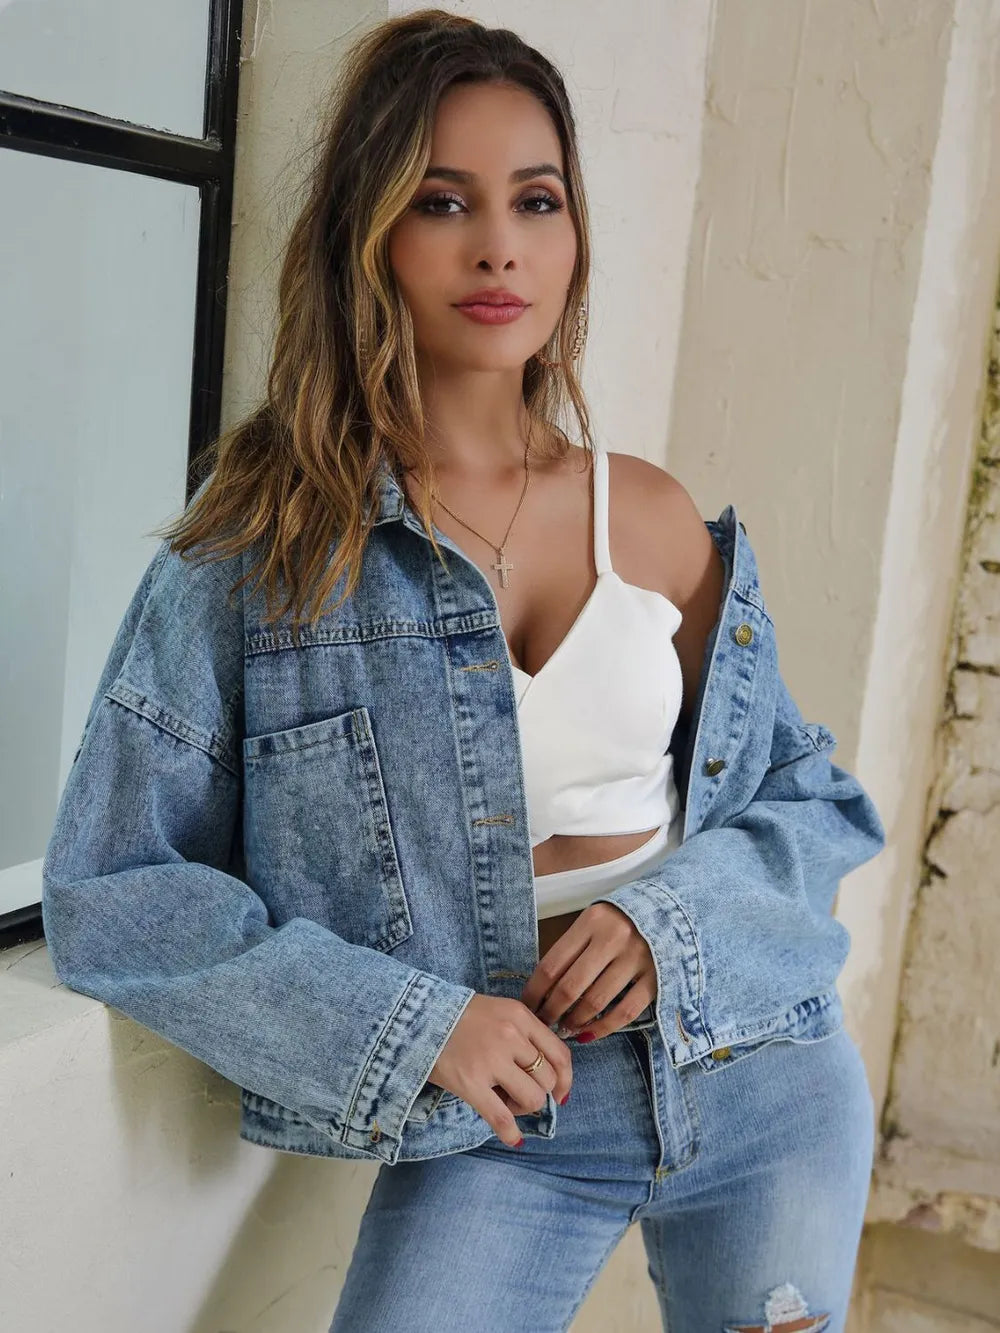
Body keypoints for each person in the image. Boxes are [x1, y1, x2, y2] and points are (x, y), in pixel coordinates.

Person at [41, 10, 887, 1331]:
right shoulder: (262, 552)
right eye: (444, 200)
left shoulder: (653, 517)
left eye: (535, 200)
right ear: (369, 232)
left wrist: (669, 928)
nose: (499, 244)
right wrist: (413, 1023)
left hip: (762, 1067)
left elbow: (814, 803)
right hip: (498, 1117)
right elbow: (110, 885)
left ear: (573, 236)